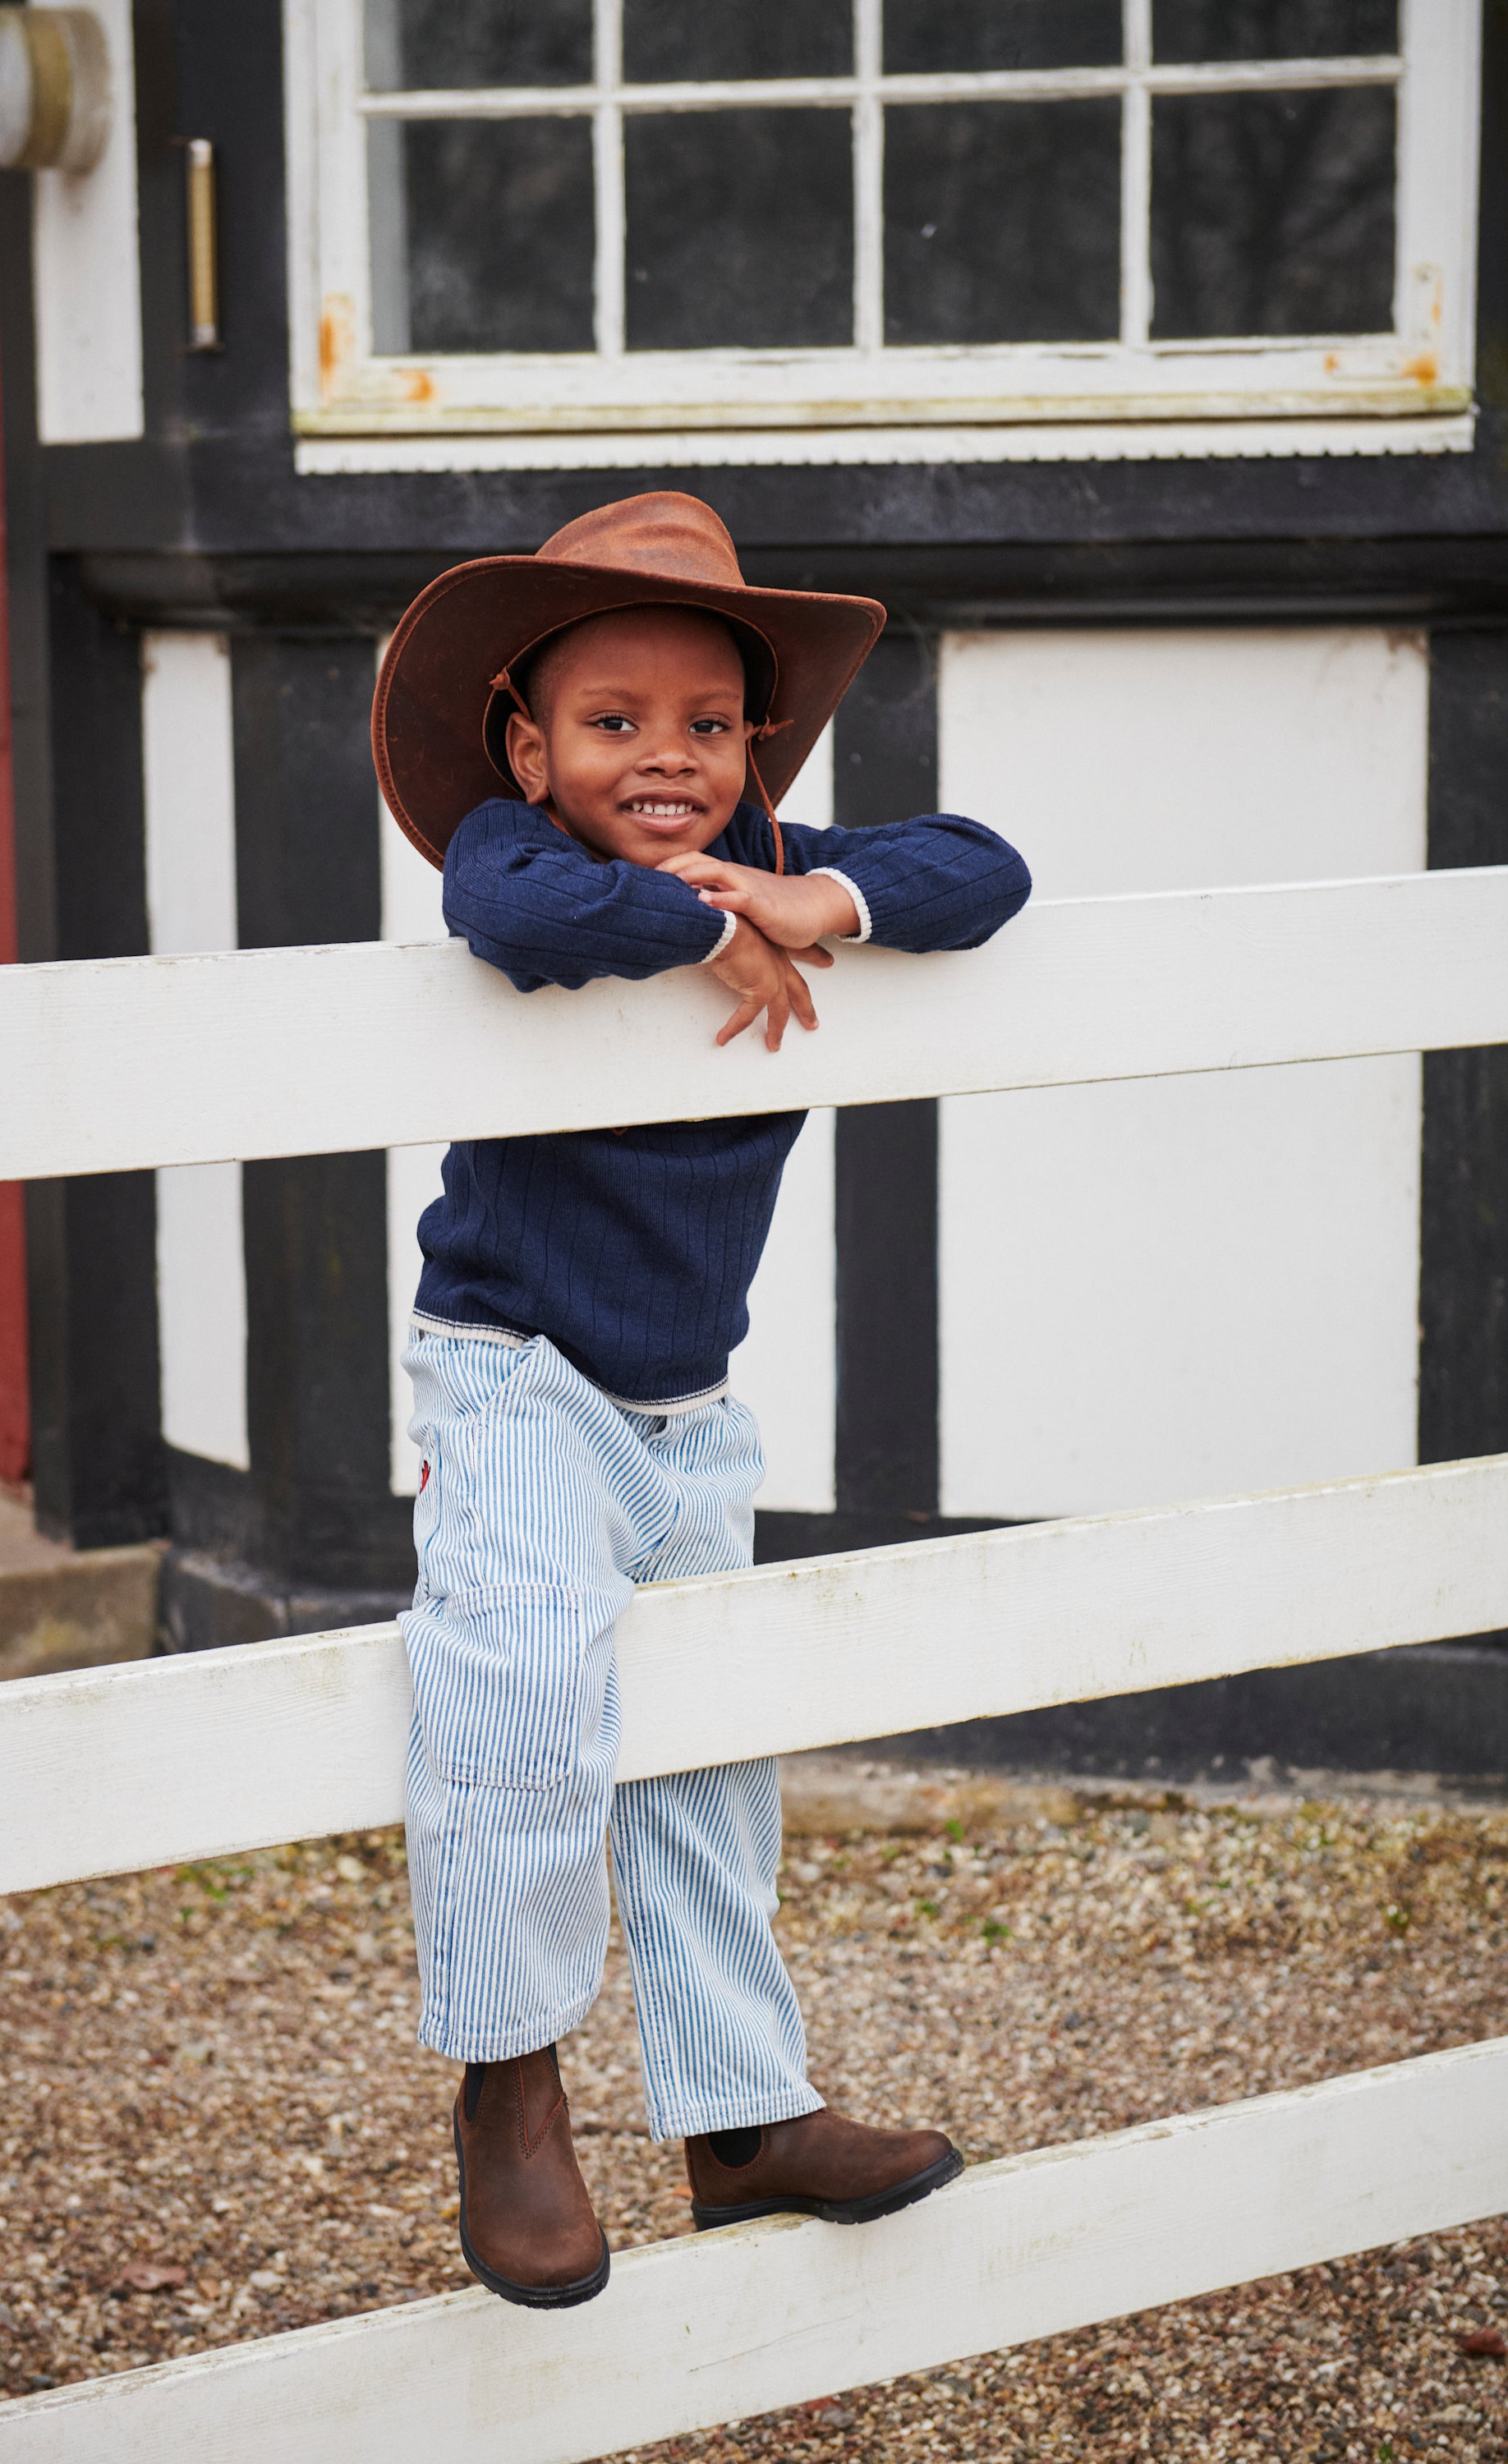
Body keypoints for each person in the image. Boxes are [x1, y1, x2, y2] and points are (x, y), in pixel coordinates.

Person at [372, 492, 1032, 2310]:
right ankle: (510, 2086)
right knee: (513, 1703)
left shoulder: (773, 855)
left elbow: (984, 865)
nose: (664, 758)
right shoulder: (525, 858)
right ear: (527, 745)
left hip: (687, 1407)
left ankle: (739, 2119)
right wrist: (687, 925)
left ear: (757, 749)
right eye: (611, 723)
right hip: (513, 1378)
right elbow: (495, 904)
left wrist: (815, 895)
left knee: (712, 1745)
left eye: (708, 726)